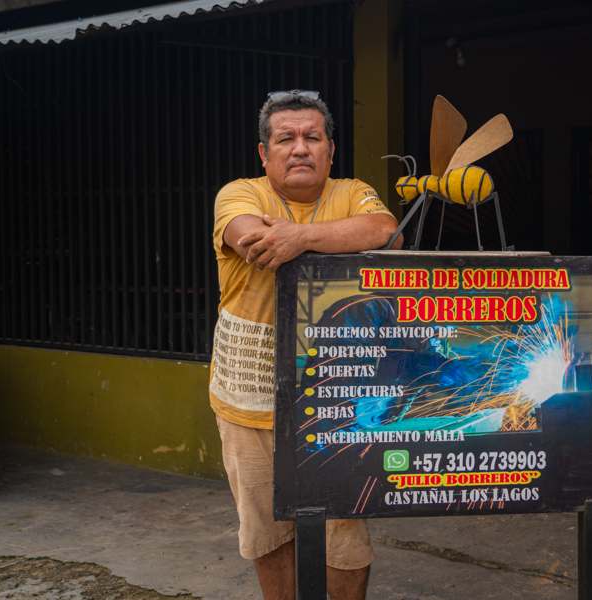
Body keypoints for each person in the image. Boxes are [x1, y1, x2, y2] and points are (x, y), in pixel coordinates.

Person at [209, 89, 400, 600]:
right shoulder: (239, 194)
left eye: (312, 137)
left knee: (344, 528)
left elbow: (386, 231)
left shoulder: (353, 191)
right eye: (286, 138)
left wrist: (300, 237)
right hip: (250, 395)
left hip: (339, 393)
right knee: (267, 532)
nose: (300, 148)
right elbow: (253, 240)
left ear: (330, 150)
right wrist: (336, 237)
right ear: (264, 152)